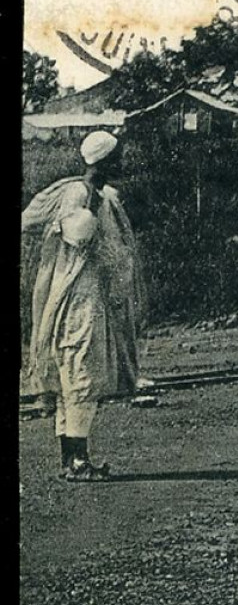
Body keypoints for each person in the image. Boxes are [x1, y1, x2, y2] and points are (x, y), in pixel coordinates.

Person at [21, 131, 143, 481]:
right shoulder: (80, 192)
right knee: (79, 369)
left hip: (91, 291)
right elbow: (79, 235)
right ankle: (77, 462)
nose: (121, 163)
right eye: (116, 157)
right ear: (104, 160)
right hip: (76, 293)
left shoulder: (100, 195)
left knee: (76, 373)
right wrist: (89, 206)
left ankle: (73, 460)